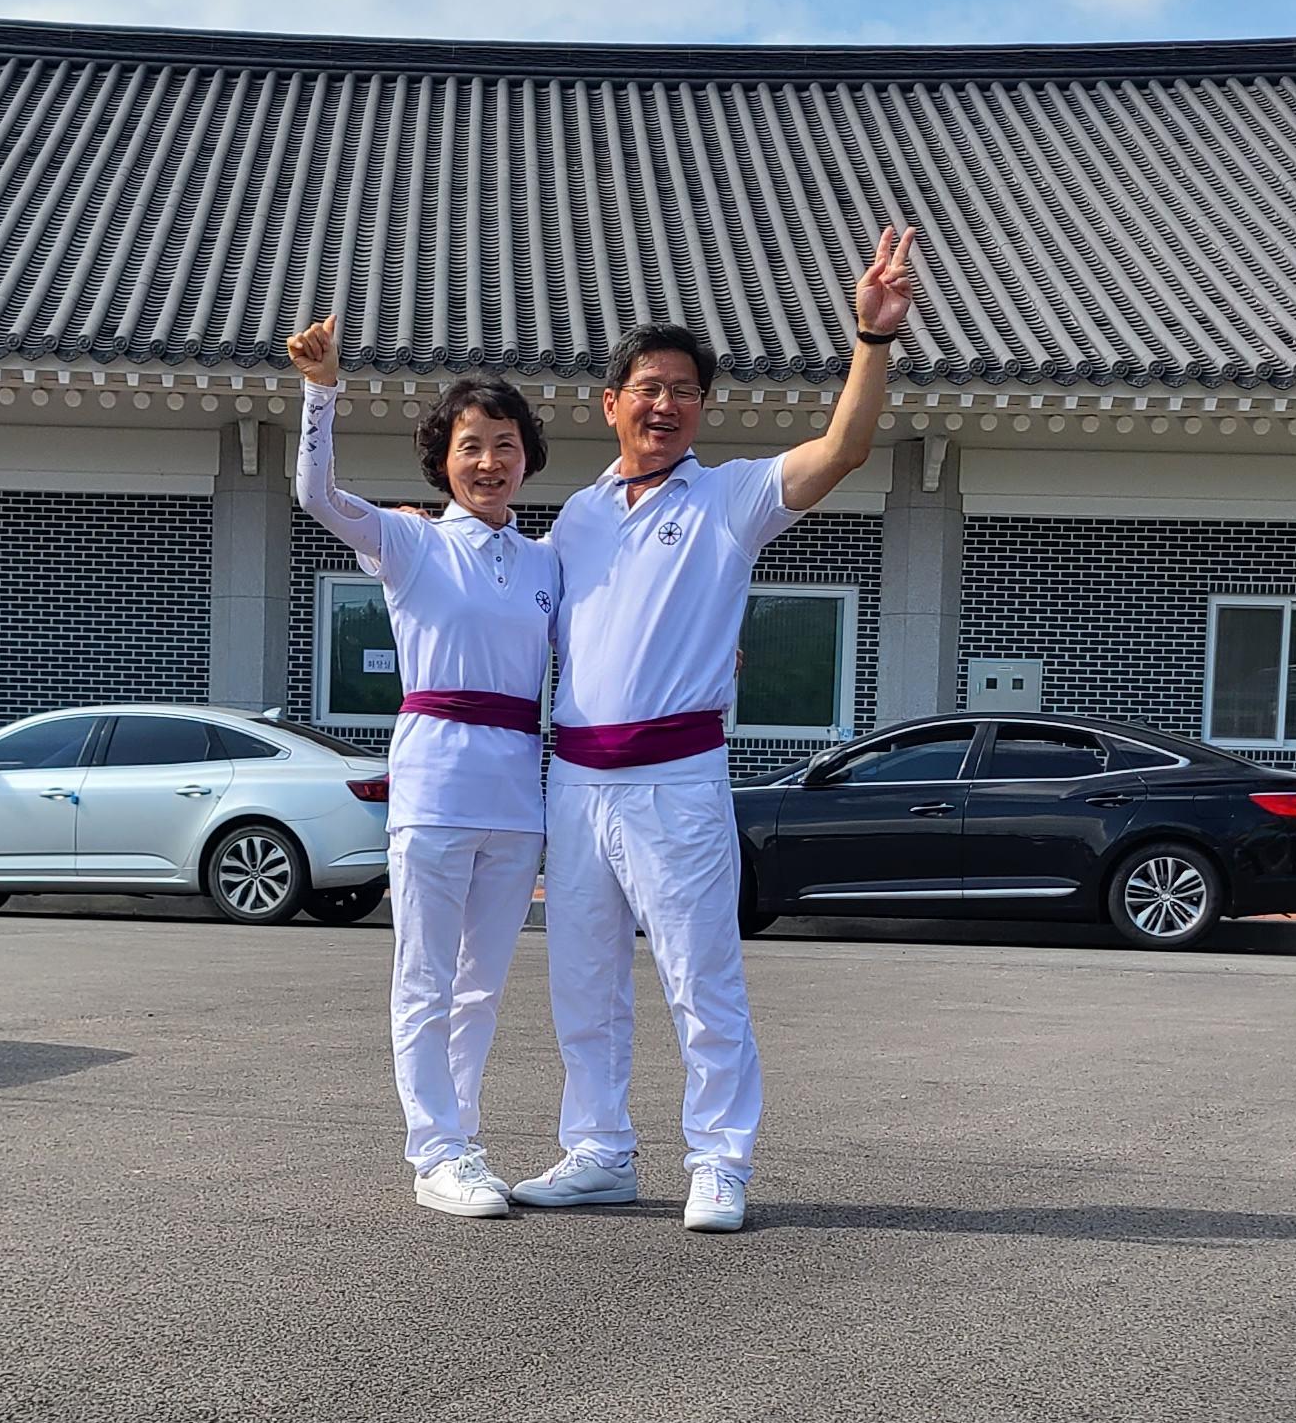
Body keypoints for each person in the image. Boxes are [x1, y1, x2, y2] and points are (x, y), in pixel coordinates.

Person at [513, 226, 918, 1233]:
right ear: (610, 403)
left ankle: (720, 1161)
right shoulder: (575, 519)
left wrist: (872, 340)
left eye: (685, 391)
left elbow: (842, 450)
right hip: (577, 783)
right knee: (583, 981)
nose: (665, 404)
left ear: (702, 408)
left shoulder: (729, 498)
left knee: (701, 979)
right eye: (647, 388)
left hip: (676, 779)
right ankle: (599, 1151)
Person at [286, 311, 560, 1218]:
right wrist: (321, 394)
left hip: (517, 797)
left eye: (505, 444)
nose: (489, 461)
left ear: (527, 457)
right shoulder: (411, 543)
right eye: (470, 445)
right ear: (443, 460)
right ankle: (434, 1151)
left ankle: (463, 1141)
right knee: (426, 978)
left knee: (482, 986)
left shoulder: (546, 563)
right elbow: (319, 495)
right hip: (435, 789)